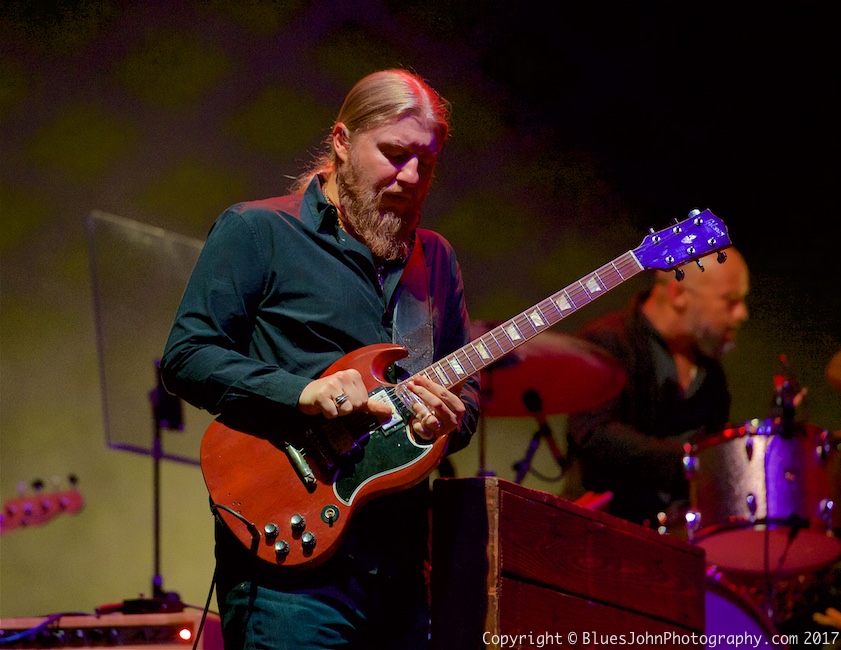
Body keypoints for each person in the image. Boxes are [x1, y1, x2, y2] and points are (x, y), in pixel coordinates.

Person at [161, 69, 480, 649]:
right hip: (288, 574)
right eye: (394, 153)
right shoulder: (259, 230)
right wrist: (300, 393)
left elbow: (470, 398)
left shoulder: (436, 262)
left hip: (401, 575)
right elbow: (187, 355)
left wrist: (447, 422)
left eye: (426, 164)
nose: (410, 177)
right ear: (340, 141)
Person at [565, 247, 750, 527]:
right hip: (599, 532)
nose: (742, 314)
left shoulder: (712, 373)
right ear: (678, 294)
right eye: (730, 301)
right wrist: (690, 464)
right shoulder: (608, 342)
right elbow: (593, 436)